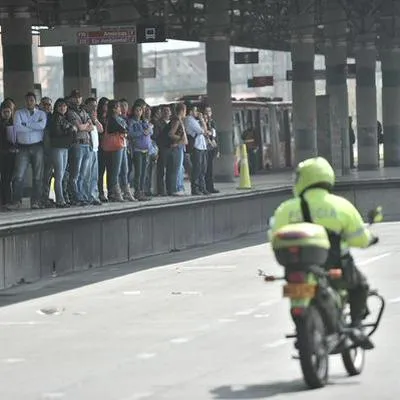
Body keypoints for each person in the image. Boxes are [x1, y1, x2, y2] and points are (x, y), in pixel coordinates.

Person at [270, 156, 378, 350]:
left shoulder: (286, 209)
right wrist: (370, 239)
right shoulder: (340, 205)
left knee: (293, 294)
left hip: (297, 270)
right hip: (337, 269)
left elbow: (274, 237)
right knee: (361, 286)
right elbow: (360, 238)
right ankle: (356, 326)